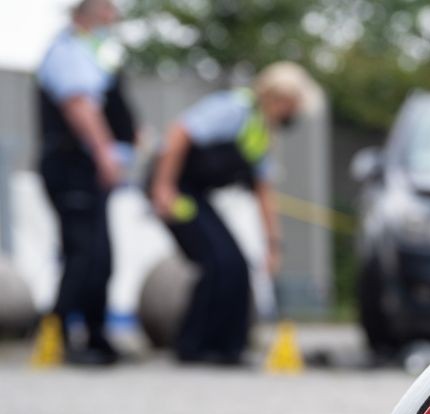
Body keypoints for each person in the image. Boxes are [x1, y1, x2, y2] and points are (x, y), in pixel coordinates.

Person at [148, 62, 322, 365]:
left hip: (197, 195)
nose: (292, 116)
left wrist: (273, 245)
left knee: (236, 265)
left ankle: (229, 348)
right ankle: (192, 347)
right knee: (218, 261)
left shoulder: (261, 131)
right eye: (292, 107)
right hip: (177, 190)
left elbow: (263, 191)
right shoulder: (233, 109)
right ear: (278, 97)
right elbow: (179, 134)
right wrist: (163, 187)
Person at [36, 0, 135, 365]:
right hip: (72, 164)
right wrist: (105, 152)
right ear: (83, 15)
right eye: (105, 13)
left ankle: (96, 337)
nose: (111, 20)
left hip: (87, 167)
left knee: (100, 257)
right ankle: (57, 336)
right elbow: (79, 105)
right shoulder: (68, 51)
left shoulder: (92, 53)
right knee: (82, 254)